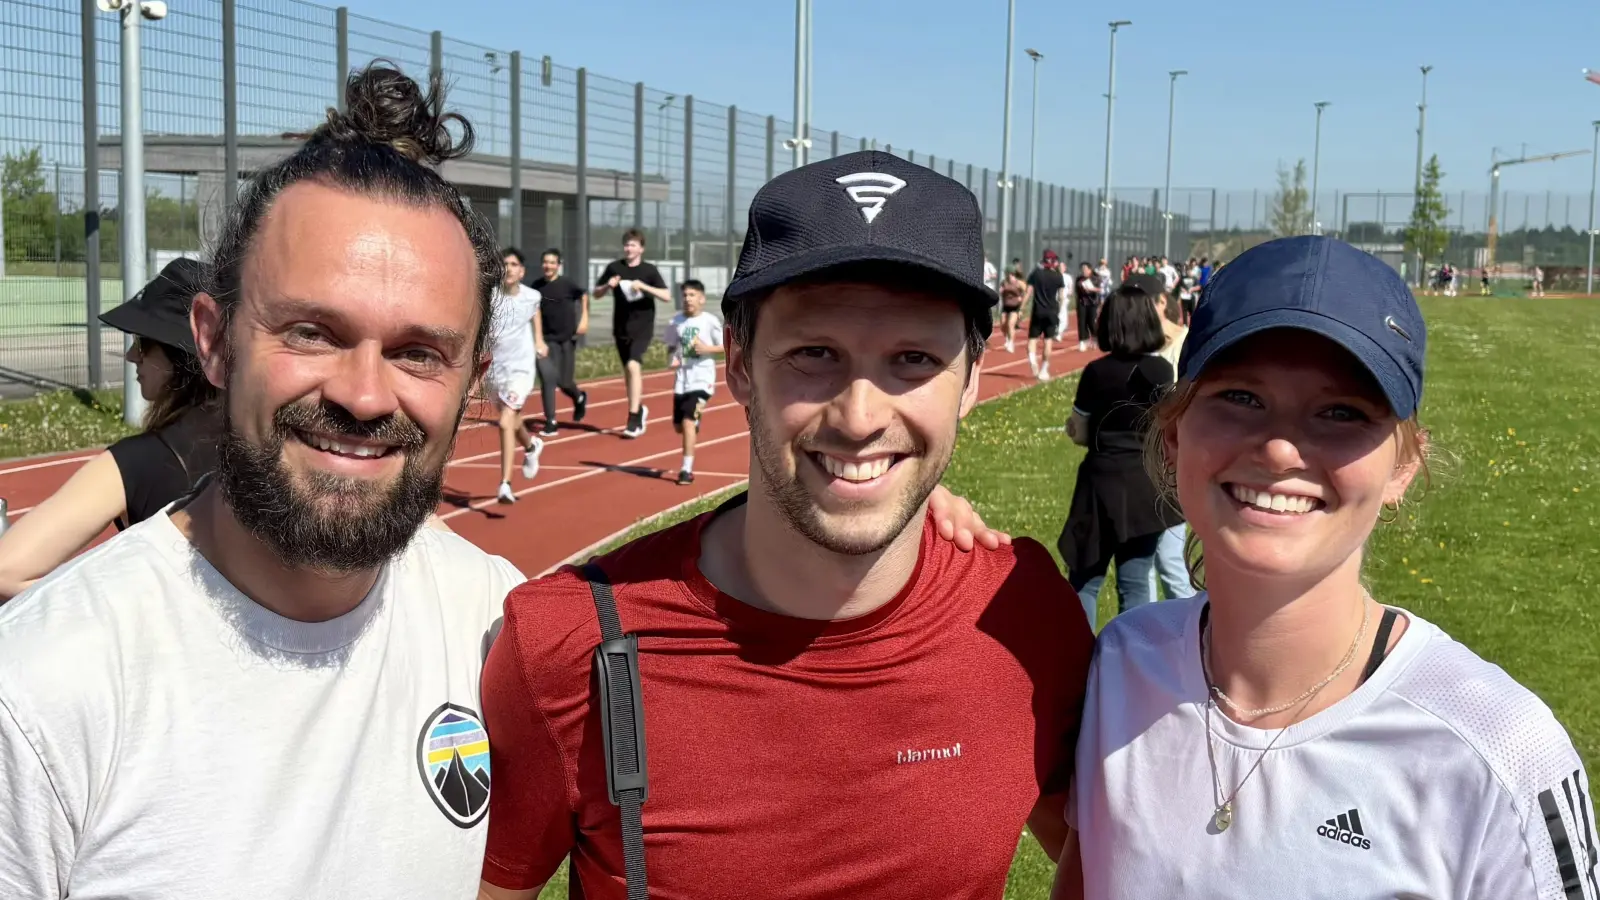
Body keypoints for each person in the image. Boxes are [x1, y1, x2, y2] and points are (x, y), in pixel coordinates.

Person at [477, 149, 1094, 900]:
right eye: (814, 353)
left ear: (969, 377)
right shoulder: (566, 645)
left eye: (912, 359)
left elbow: (1115, 858)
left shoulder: (1025, 615)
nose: (861, 416)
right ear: (738, 361)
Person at [0, 64, 529, 898]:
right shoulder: (36, 695)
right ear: (212, 341)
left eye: (418, 352)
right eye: (312, 333)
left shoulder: (501, 631)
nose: (363, 395)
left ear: (473, 376)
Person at [1055, 236, 1597, 899]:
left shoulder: (1498, 751)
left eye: (1341, 412)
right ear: (1173, 437)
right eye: (1241, 398)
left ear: (1403, 465)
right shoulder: (1119, 666)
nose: (1281, 448)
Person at [0, 258, 221, 600]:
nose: (133, 355)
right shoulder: (266, 442)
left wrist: (117, 612)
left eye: (144, 343)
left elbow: (6, 571)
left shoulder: (140, 462)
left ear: (180, 356)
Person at [594, 229, 671, 438]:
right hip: (621, 327)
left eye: (633, 245)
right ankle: (638, 408)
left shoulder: (649, 270)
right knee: (628, 373)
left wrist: (644, 287)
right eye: (627, 244)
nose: (629, 248)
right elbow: (596, 293)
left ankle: (634, 416)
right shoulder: (614, 268)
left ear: (641, 248)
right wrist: (607, 287)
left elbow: (666, 295)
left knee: (633, 365)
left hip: (643, 327)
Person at [485, 247, 545, 504]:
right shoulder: (489, 297)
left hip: (521, 369)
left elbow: (534, 313)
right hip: (496, 370)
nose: (508, 268)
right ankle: (531, 447)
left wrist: (539, 340)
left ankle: (505, 484)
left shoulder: (532, 296)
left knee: (505, 421)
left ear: (521, 271)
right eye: (504, 264)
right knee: (512, 420)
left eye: (513, 264)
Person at [663, 278, 723, 485]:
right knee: (679, 427)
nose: (688, 299)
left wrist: (708, 349)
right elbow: (671, 347)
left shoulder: (709, 321)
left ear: (702, 299)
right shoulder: (676, 322)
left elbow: (728, 346)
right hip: (682, 381)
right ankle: (692, 423)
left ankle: (686, 470)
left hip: (702, 379)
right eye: (685, 295)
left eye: (692, 295)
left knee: (688, 423)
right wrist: (672, 359)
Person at [529, 247, 590, 436]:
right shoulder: (536, 287)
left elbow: (583, 294)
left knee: (564, 382)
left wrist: (584, 318)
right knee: (548, 379)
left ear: (558, 265)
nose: (548, 266)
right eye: (545, 262)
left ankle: (579, 397)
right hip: (547, 341)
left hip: (567, 339)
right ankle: (551, 421)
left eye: (552, 262)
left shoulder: (567, 284)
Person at [1026, 248, 1067, 381]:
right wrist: (1059, 310)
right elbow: (1061, 296)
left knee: (1032, 339)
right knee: (1048, 341)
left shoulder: (1036, 274)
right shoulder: (1058, 276)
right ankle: (1044, 369)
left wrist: (1021, 308)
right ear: (1054, 261)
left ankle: (1032, 361)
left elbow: (1028, 292)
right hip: (1052, 312)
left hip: (1038, 311)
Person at [1073, 261, 1101, 354]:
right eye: (1082, 269)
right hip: (1082, 302)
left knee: (1091, 322)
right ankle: (1082, 341)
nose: (1083, 271)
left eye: (1085, 269)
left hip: (1092, 303)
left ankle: (1095, 337)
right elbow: (1076, 290)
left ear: (1090, 269)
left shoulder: (1095, 278)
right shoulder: (1079, 279)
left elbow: (1100, 289)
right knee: (1081, 322)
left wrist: (1091, 289)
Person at [999, 262, 1027, 352]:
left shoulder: (1019, 283)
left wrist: (1021, 298)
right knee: (1003, 325)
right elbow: (1002, 293)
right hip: (1006, 306)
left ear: (1010, 273)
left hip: (1015, 307)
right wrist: (1001, 291)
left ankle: (1011, 343)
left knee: (1011, 324)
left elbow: (1026, 292)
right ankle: (1007, 337)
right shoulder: (1004, 282)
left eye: (1006, 273)